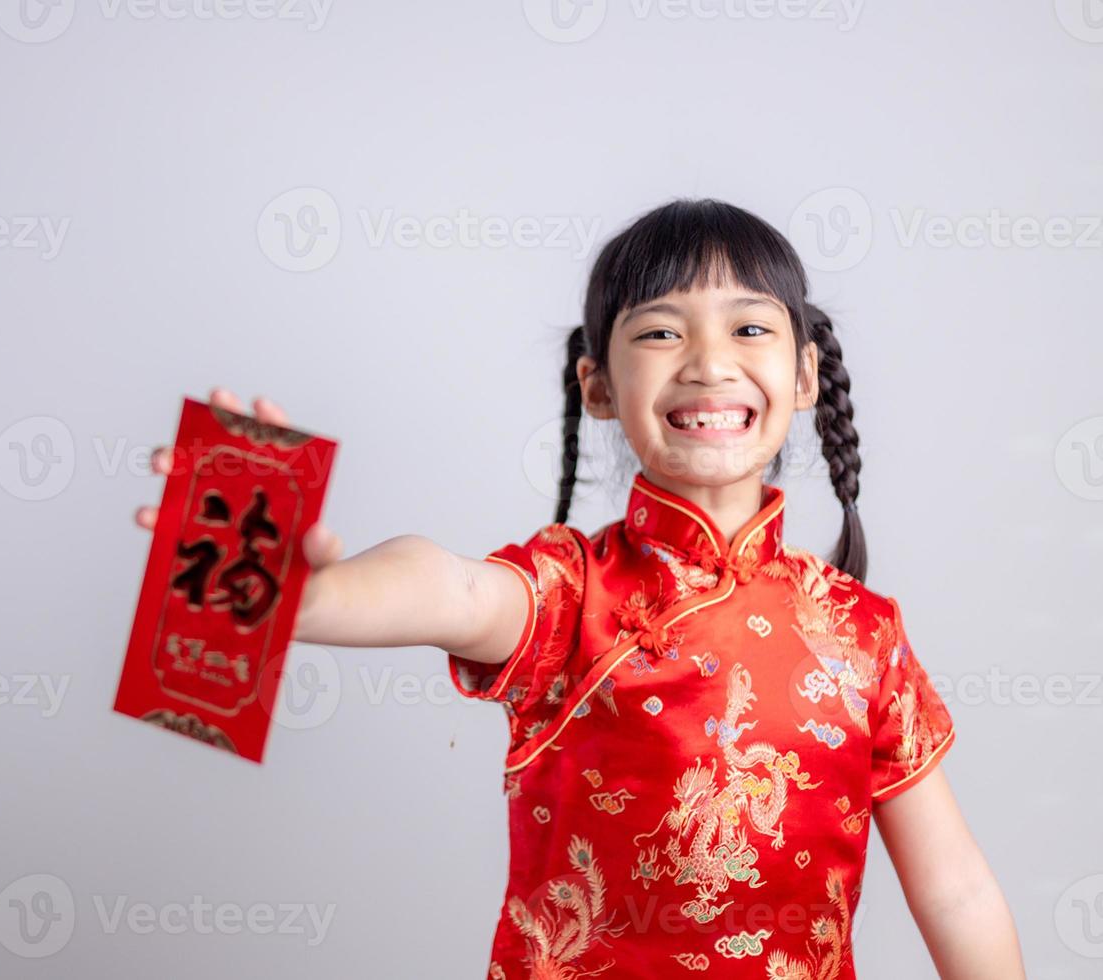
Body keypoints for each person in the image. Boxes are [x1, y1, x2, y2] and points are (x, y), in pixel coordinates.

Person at [135, 199, 1024, 978]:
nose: (709, 362)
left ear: (802, 377)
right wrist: (311, 597)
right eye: (661, 331)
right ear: (597, 385)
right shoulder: (572, 593)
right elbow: (451, 588)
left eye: (748, 327)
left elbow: (955, 889)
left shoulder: (863, 633)